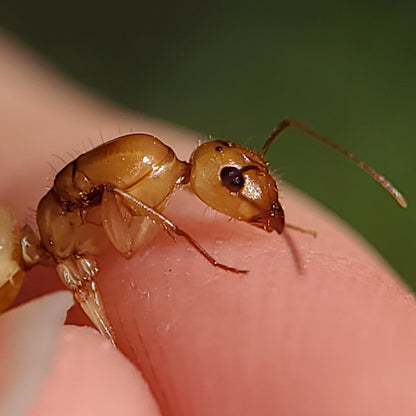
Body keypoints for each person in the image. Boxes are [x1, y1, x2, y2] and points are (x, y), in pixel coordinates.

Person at [1, 32, 415, 416]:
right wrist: (195, 247)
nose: (245, 192)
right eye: (235, 182)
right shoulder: (132, 184)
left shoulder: (155, 176)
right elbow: (114, 197)